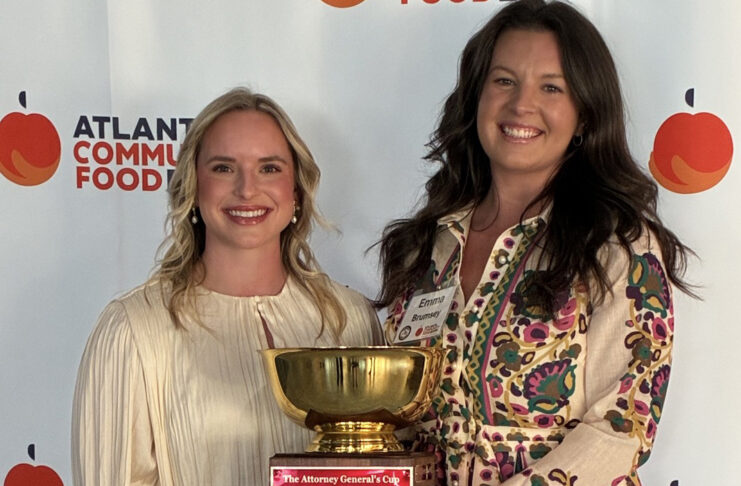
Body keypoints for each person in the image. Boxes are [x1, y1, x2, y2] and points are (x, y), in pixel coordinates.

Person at [377, 1, 693, 485]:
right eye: (504, 80)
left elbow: (621, 428)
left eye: (551, 87)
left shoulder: (619, 247)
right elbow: (394, 422)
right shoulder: (426, 247)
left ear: (585, 115)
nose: (521, 105)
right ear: (475, 98)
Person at [72, 87, 382, 485]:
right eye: (223, 168)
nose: (247, 189)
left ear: (297, 192)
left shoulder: (350, 320)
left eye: (269, 168)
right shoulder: (133, 330)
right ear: (193, 187)